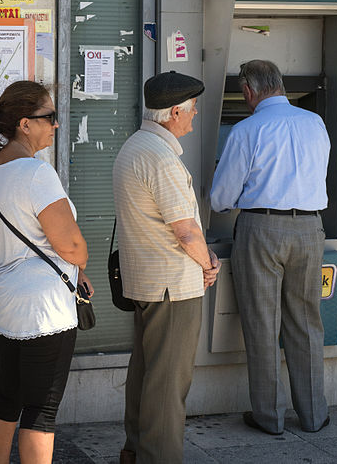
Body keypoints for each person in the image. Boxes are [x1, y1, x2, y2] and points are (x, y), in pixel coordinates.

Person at [210, 60, 330, 435]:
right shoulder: (315, 123)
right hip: (310, 228)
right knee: (306, 322)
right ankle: (313, 415)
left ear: (248, 91)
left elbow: (221, 198)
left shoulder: (247, 129)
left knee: (263, 323)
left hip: (262, 228)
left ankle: (269, 417)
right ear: (279, 84)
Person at [0, 80, 91, 464]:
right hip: (45, 308)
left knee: (7, 393)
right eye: (49, 117)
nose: (55, 125)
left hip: (8, 300)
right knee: (41, 410)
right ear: (25, 123)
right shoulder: (36, 173)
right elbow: (72, 246)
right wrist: (81, 259)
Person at [112, 70, 220, 464]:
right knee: (168, 385)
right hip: (173, 288)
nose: (194, 116)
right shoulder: (162, 158)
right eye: (191, 110)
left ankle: (134, 451)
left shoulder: (135, 147)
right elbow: (187, 232)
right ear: (174, 112)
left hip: (147, 284)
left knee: (145, 376)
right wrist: (210, 264)